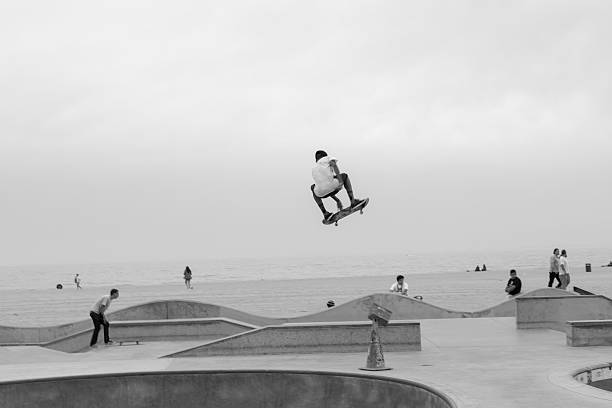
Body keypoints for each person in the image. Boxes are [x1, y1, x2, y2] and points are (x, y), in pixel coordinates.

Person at [311, 150, 365, 222]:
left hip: (320, 193)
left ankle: (325, 213)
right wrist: (340, 181)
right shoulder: (327, 158)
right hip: (332, 186)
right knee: (344, 176)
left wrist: (337, 200)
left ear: (316, 160)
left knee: (313, 187)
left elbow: (325, 187)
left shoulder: (314, 169)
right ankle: (353, 202)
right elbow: (334, 165)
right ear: (325, 156)